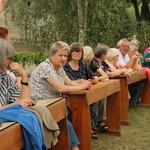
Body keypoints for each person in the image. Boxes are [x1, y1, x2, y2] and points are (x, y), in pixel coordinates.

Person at [30, 41, 92, 150]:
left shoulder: (59, 68)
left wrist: (84, 83)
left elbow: (70, 83)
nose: (63, 58)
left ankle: (75, 146)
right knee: (66, 124)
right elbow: (61, 88)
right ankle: (75, 148)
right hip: (39, 107)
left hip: (53, 105)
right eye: (60, 55)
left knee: (67, 122)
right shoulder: (45, 67)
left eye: (65, 56)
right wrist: (80, 87)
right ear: (52, 55)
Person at [0, 38, 46, 150]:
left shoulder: (3, 76)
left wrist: (24, 76)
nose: (11, 62)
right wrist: (15, 104)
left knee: (31, 116)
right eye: (9, 58)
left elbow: (25, 102)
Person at [63, 43, 109, 139]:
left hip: (85, 91)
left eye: (79, 51)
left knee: (98, 97)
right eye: (75, 51)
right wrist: (79, 82)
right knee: (91, 101)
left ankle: (92, 125)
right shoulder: (65, 66)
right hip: (71, 95)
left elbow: (93, 77)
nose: (77, 53)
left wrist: (91, 80)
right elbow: (66, 83)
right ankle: (89, 128)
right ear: (70, 53)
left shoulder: (83, 64)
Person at [116, 38, 144, 108]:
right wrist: (132, 59)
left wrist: (135, 60)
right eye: (124, 46)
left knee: (140, 83)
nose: (126, 48)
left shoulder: (125, 55)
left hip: (127, 76)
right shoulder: (117, 55)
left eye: (128, 47)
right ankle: (128, 104)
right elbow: (125, 68)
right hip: (118, 78)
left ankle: (132, 104)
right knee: (132, 85)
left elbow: (134, 69)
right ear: (119, 46)